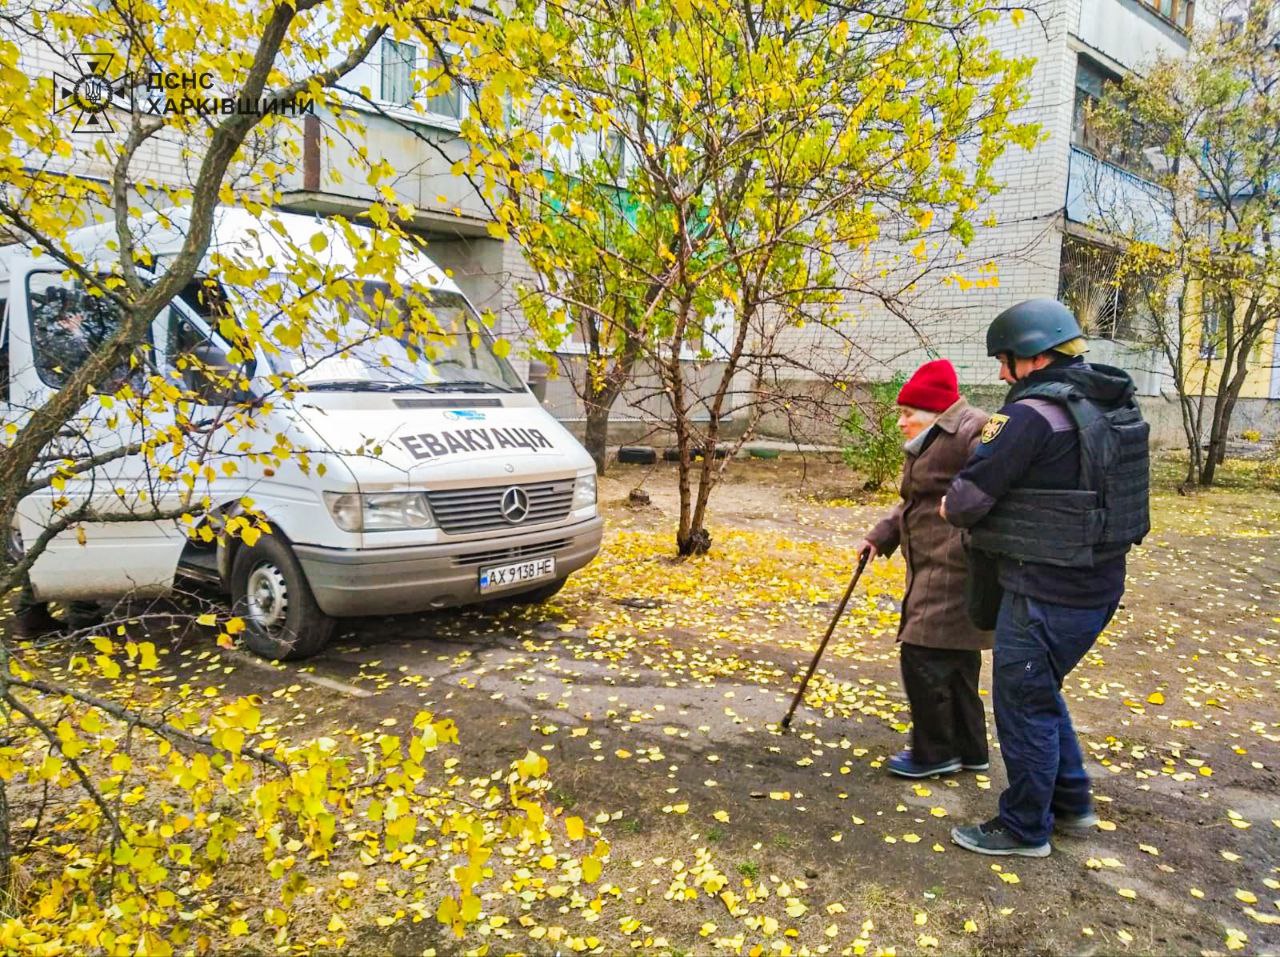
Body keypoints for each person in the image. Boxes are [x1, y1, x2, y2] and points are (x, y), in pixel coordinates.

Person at [941, 298, 1150, 857]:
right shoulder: (1109, 403)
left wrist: (948, 505)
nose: (1002, 374)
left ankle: (1025, 827)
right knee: (1040, 690)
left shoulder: (1029, 415)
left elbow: (965, 501)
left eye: (1005, 361)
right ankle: (1071, 800)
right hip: (1098, 585)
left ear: (1032, 355)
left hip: (1043, 591)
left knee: (1022, 701)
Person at [859, 358, 993, 779]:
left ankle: (934, 752)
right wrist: (881, 535)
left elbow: (996, 482)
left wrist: (968, 530)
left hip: (954, 566)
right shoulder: (930, 440)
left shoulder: (972, 430)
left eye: (907, 414)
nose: (901, 422)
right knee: (956, 660)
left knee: (922, 654)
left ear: (934, 411)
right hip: (931, 562)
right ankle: (970, 749)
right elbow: (913, 501)